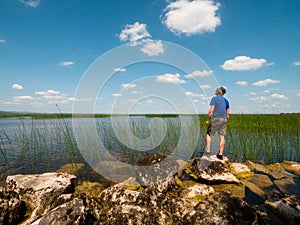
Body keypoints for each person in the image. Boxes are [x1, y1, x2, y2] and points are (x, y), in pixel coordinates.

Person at [205, 87, 230, 160]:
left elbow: (211, 111)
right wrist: (225, 120)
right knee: (222, 136)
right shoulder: (226, 101)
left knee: (208, 134)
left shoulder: (214, 99)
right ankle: (220, 154)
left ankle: (208, 152)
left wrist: (207, 120)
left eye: (216, 90)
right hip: (224, 119)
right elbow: (228, 113)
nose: (215, 91)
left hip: (216, 119)